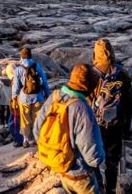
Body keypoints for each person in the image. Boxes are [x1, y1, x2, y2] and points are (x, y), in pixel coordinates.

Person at [34, 64, 104, 194]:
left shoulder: (54, 97)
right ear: (88, 86)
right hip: (81, 174)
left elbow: (37, 130)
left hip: (60, 168)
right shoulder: (82, 109)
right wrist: (100, 159)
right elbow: (93, 156)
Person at [92, 39, 132, 194]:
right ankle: (110, 189)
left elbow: (87, 102)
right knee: (112, 163)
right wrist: (127, 127)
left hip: (96, 125)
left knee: (93, 160)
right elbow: (129, 103)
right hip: (116, 125)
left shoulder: (92, 74)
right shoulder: (122, 73)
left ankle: (97, 188)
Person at [12, 47, 50, 148]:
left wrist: (14, 97)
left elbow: (16, 86)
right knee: (37, 119)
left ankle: (26, 140)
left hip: (24, 98)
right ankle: (36, 139)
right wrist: (47, 94)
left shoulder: (19, 69)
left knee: (25, 120)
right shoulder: (37, 67)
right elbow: (45, 82)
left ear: (21, 56)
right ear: (30, 55)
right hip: (38, 96)